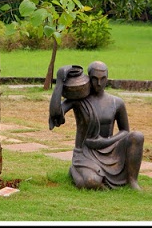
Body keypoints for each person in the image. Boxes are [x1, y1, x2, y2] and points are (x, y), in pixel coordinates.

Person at [49, 61, 144, 190]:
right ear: (89, 78)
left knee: (137, 136)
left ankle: (132, 180)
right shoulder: (79, 99)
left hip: (110, 149)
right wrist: (60, 80)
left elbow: (125, 131)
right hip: (86, 152)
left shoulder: (117, 102)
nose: (99, 83)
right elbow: (55, 113)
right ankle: (76, 171)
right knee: (92, 182)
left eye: (103, 79)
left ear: (107, 78)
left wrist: (106, 141)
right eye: (95, 79)